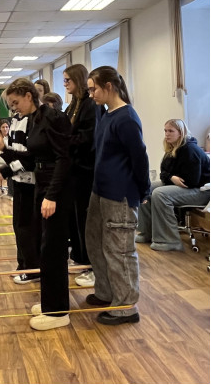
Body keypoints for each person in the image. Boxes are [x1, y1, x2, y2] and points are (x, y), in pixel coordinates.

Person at [0, 78, 72, 331]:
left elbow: (64, 159)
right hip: (42, 186)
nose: (14, 108)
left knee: (54, 250)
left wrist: (52, 195)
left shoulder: (53, 117)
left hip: (54, 190)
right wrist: (3, 150)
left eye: (16, 102)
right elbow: (30, 158)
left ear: (29, 96)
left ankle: (58, 312)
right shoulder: (36, 119)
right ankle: (51, 303)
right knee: (45, 248)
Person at [85, 66, 150, 325]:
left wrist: (143, 190)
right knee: (95, 243)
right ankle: (106, 292)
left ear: (109, 86)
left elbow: (139, 158)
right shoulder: (106, 114)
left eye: (94, 89)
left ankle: (125, 307)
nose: (91, 94)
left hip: (120, 195)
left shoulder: (127, 118)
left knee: (119, 251)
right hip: (99, 191)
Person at [0, 104, 39, 285]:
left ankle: (32, 269)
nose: (14, 107)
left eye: (15, 102)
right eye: (11, 104)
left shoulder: (34, 121)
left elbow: (29, 158)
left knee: (27, 228)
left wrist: (5, 172)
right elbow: (11, 152)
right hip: (19, 182)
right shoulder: (16, 120)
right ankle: (23, 265)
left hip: (31, 184)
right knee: (18, 227)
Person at [137, 119, 210, 251]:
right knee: (146, 187)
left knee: (160, 194)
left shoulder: (190, 150)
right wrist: (171, 177)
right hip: (187, 186)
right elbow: (164, 173)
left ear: (180, 133)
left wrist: (170, 177)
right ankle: (147, 232)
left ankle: (169, 240)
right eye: (165, 131)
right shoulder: (172, 149)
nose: (167, 134)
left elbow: (191, 181)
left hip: (201, 191)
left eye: (171, 131)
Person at [63, 64, 98, 288]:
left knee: (85, 219)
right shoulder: (73, 104)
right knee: (74, 218)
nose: (65, 84)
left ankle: (90, 264)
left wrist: (62, 141)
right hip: (73, 169)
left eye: (68, 80)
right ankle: (79, 257)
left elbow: (87, 139)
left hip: (85, 170)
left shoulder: (89, 105)